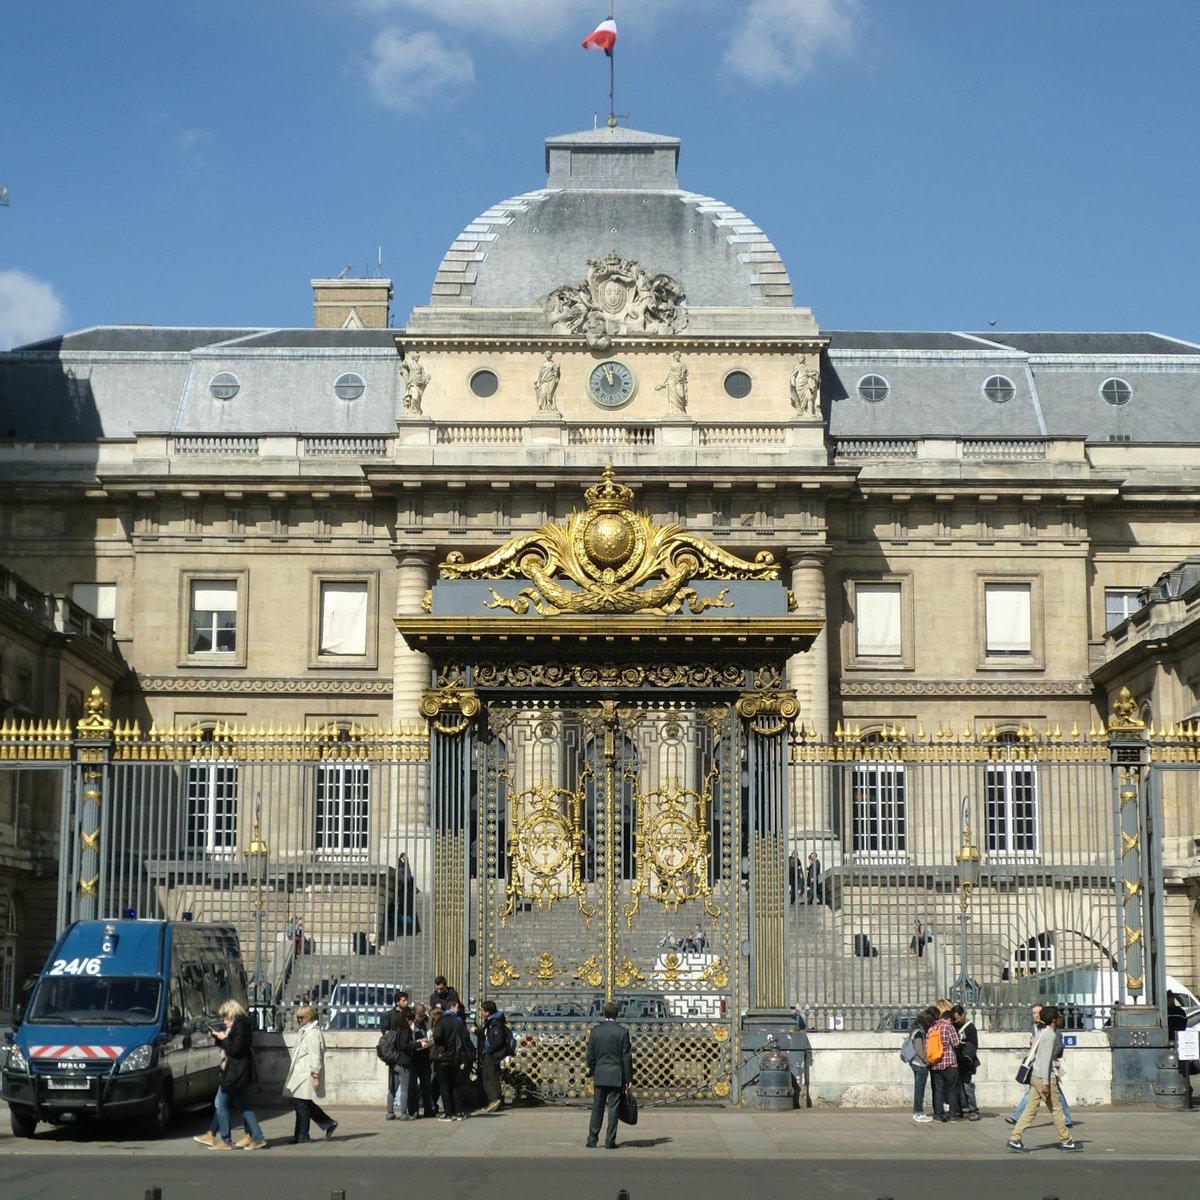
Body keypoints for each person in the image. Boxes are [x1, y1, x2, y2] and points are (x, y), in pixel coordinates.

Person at [193, 998, 266, 1150]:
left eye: (226, 1018)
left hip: (236, 1072)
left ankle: (226, 1140)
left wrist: (224, 1038)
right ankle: (257, 1137)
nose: (225, 1021)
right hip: (236, 1071)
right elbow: (233, 1047)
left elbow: (236, 1049)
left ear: (232, 1014)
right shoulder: (241, 1024)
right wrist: (217, 1039)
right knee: (242, 1105)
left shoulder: (241, 1025)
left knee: (220, 1102)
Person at [1007, 1005, 1080, 1152]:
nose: (1062, 1018)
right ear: (1053, 1020)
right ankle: (1066, 1140)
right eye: (1059, 1016)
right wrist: (1046, 1083)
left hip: (1035, 1075)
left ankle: (1015, 1139)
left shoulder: (1041, 1032)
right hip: (1043, 1078)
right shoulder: (1050, 1035)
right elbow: (1046, 1060)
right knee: (1056, 1110)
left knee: (1030, 1110)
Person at [284, 1004, 338, 1143]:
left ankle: (303, 1134)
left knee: (302, 1103)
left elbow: (315, 1056)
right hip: (300, 1072)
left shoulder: (313, 1033)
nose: (299, 1020)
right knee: (302, 1103)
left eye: (301, 1018)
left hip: (306, 1073)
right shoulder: (305, 1031)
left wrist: (315, 1075)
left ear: (308, 1017)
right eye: (297, 1018)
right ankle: (324, 1124)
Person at [585, 1000, 633, 1149]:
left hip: (600, 1074)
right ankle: (610, 1141)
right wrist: (628, 1078)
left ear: (604, 1014)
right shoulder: (622, 1032)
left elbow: (590, 1055)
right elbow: (626, 1057)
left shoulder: (596, 1031)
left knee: (597, 1108)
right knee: (613, 1108)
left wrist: (594, 1068)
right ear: (617, 1014)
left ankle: (592, 1139)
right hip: (616, 1075)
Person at [430, 1002, 470, 1122]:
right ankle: (458, 1112)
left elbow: (437, 1036)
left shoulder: (440, 1023)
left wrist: (439, 1044)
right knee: (455, 1086)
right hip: (455, 1057)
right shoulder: (456, 1021)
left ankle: (448, 1113)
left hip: (443, 1058)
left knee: (444, 1087)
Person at [927, 1006, 962, 1121]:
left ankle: (938, 1115)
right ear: (949, 1019)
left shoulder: (932, 1027)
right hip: (949, 1063)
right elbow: (956, 1043)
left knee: (938, 1090)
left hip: (935, 1063)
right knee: (952, 1089)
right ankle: (953, 1115)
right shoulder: (948, 1027)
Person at [477, 999, 510, 1113]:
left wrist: (489, 1051)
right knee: (488, 1077)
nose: (480, 1012)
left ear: (487, 1012)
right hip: (490, 1053)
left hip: (492, 1054)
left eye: (482, 1010)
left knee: (490, 1078)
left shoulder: (495, 1023)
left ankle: (495, 1100)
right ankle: (495, 1101)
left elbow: (497, 1040)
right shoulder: (491, 1021)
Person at [907, 1005, 938, 1124]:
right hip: (920, 1064)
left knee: (919, 1089)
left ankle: (918, 1112)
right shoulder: (919, 1032)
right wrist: (927, 1060)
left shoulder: (916, 1029)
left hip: (916, 1063)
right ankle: (918, 1112)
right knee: (919, 1089)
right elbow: (919, 1049)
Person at [385, 1001, 415, 1120]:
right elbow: (405, 1045)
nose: (412, 1022)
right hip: (403, 1061)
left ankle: (389, 1112)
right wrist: (418, 1044)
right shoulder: (405, 1030)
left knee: (392, 1089)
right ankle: (403, 1113)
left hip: (393, 1061)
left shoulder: (393, 1029)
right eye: (411, 1020)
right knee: (404, 1089)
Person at [950, 1003, 980, 1120]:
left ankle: (973, 1109)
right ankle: (963, 1109)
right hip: (956, 1061)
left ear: (963, 1015)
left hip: (967, 1063)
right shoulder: (953, 1026)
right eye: (954, 1019)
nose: (956, 1021)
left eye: (958, 1018)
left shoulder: (970, 1028)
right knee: (958, 1088)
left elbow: (974, 1045)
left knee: (967, 1087)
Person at [1167, 990, 1195, 1109]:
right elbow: (1183, 1023)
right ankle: (1186, 1089)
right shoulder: (1180, 1012)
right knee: (1181, 1067)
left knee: (1182, 1067)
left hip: (1176, 1041)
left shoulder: (1172, 1012)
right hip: (1176, 1041)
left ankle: (1186, 1089)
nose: (1170, 1001)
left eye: (1170, 999)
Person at [408, 1002, 436, 1118]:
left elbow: (431, 1036)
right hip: (413, 1059)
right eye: (419, 1015)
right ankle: (413, 1110)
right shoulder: (409, 1025)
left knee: (427, 1086)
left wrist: (428, 1042)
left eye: (423, 1015)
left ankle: (428, 1109)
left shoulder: (426, 1024)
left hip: (424, 1059)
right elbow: (407, 1043)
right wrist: (419, 1044)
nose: (421, 1018)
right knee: (412, 1087)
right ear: (414, 1014)